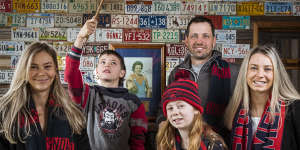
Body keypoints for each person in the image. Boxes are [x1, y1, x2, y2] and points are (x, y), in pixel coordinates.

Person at [64, 17, 148, 150]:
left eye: (113, 63)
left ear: (122, 73)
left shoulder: (134, 102)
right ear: (97, 71)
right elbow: (70, 74)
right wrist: (80, 38)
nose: (107, 64)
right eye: (102, 62)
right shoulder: (87, 94)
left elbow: (138, 141)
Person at [157, 16, 240, 142]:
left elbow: (244, 112)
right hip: (185, 143)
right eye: (194, 36)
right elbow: (164, 108)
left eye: (205, 36)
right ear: (186, 40)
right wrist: (162, 123)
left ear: (214, 41)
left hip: (221, 143)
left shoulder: (233, 72)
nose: (199, 41)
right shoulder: (177, 73)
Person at [0, 42, 90, 150]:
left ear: (55, 71)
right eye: (33, 67)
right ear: (24, 71)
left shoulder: (73, 113)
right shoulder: (5, 112)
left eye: (47, 67)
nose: (41, 73)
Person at [224, 45, 300, 150]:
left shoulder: (295, 110)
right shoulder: (234, 111)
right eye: (254, 68)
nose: (260, 74)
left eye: (267, 69)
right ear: (245, 72)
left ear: (276, 74)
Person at [156, 79, 227, 150]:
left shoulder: (212, 145)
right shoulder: (167, 140)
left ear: (196, 110)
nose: (175, 112)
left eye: (181, 106)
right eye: (170, 108)